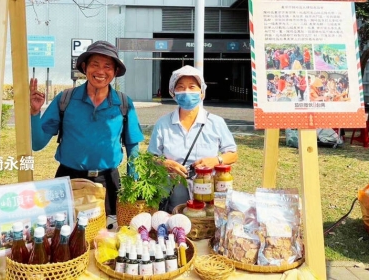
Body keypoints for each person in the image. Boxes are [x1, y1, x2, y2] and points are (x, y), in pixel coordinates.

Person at [29, 40, 144, 217]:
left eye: (107, 66)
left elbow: (133, 147)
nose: (100, 71)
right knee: (65, 233)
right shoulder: (65, 99)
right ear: (84, 67)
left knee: (107, 234)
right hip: (68, 179)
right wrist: (35, 113)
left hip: (107, 182)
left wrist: (134, 185)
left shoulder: (123, 103)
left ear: (114, 72)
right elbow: (37, 143)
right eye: (95, 64)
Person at [147, 65, 238, 212]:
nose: (186, 92)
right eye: (181, 87)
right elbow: (151, 156)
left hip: (208, 190)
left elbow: (233, 154)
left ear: (201, 93)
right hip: (173, 192)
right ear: (173, 93)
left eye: (192, 87)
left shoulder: (216, 122)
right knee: (176, 224)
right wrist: (166, 164)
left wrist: (215, 160)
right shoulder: (163, 123)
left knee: (206, 223)